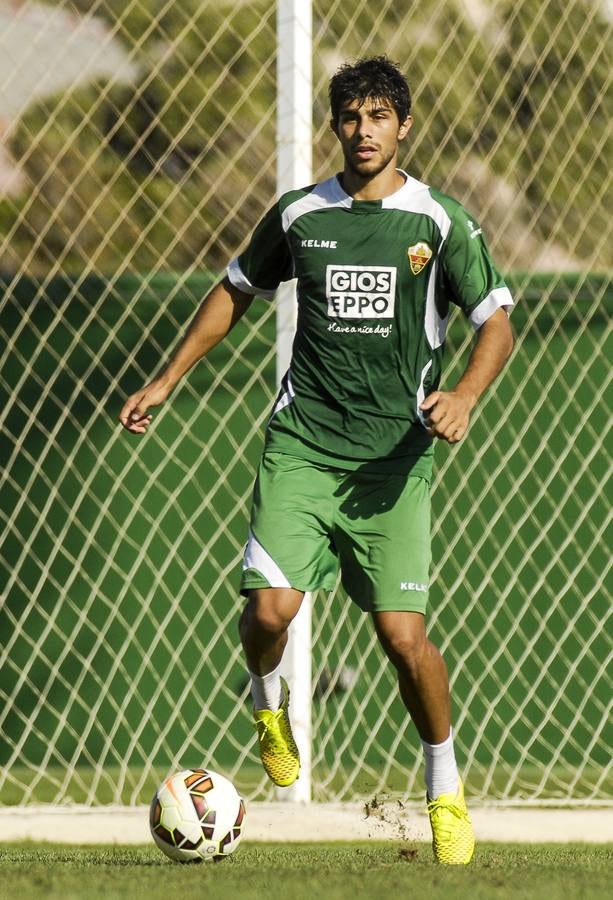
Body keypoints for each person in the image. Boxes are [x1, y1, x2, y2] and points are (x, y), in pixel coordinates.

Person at [120, 56, 514, 865]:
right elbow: (233, 290)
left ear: (403, 126)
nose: (362, 131)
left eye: (377, 117)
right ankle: (269, 706)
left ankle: (444, 790)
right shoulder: (301, 214)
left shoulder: (436, 220)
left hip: (393, 466)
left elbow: (496, 322)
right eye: (349, 117)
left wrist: (466, 395)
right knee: (269, 613)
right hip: (302, 447)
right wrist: (165, 380)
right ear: (332, 126)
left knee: (404, 639)